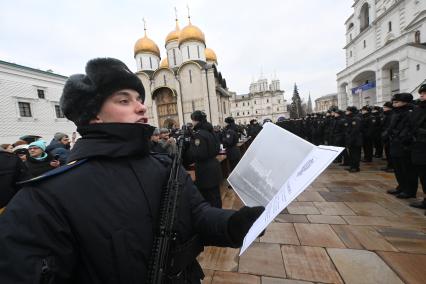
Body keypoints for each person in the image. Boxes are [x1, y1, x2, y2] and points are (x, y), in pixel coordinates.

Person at [0, 58, 264, 283]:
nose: (141, 106)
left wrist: (234, 225)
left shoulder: (163, 167)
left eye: (139, 98)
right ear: (94, 116)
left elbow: (197, 214)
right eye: (124, 100)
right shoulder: (46, 198)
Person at [184, 110, 223, 208]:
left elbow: (197, 154)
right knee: (216, 196)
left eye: (193, 120)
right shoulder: (211, 132)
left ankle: (213, 220)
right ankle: (219, 215)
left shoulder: (199, 135)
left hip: (205, 170)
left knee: (208, 198)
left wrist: (188, 149)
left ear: (196, 121)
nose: (192, 123)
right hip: (214, 166)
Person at [386, 93, 418, 199]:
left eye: (396, 102)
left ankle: (409, 190)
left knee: (407, 169)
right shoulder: (396, 112)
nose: (394, 105)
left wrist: (401, 137)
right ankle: (401, 186)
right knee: (398, 168)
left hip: (405, 144)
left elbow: (410, 128)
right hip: (395, 143)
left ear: (405, 102)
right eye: (393, 102)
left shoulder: (411, 112)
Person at [409, 84, 426, 210]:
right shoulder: (419, 108)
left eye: (424, 93)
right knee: (423, 174)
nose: (421, 95)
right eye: (421, 93)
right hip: (419, 146)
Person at [344, 106, 363, 172]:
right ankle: (352, 166)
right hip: (351, 139)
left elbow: (355, 130)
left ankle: (355, 167)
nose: (346, 112)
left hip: (355, 140)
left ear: (351, 111)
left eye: (348, 111)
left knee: (355, 154)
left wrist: (350, 139)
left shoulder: (356, 119)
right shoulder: (350, 118)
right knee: (351, 154)